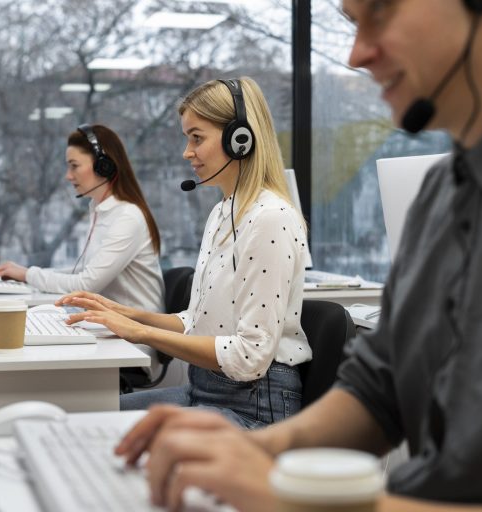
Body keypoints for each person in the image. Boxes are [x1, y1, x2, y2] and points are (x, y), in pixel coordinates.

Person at [113, 0, 482, 509]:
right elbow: (377, 394)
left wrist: (292, 496)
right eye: (350, 23)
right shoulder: (443, 194)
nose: (356, 54)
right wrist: (250, 453)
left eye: (381, 11)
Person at [58, 77, 310, 427]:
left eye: (197, 138)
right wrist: (127, 314)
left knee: (111, 437)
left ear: (240, 140)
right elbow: (196, 322)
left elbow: (249, 356)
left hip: (255, 406)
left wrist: (142, 334)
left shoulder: (270, 218)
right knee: (89, 420)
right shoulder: (224, 213)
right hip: (204, 389)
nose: (187, 152)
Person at [0, 124, 164, 313]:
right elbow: (83, 273)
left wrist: (28, 274)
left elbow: (86, 284)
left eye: (74, 166)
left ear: (104, 166)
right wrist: (25, 274)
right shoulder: (101, 210)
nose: (68, 176)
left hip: (136, 336)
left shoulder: (127, 218)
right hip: (111, 324)